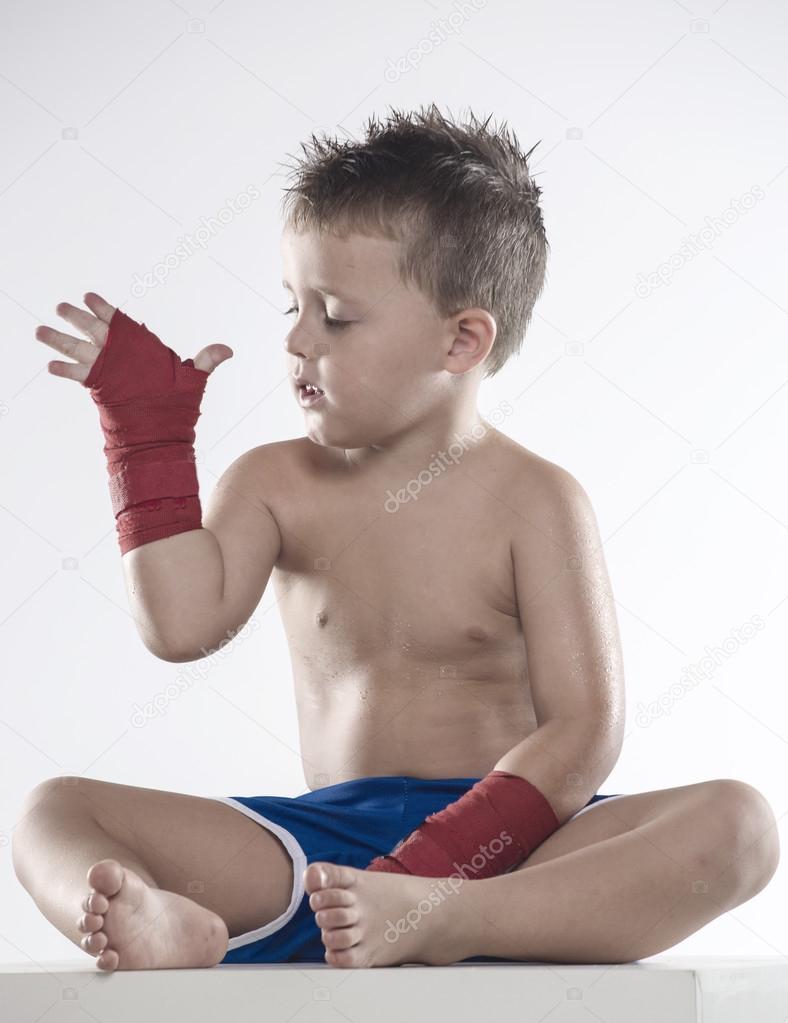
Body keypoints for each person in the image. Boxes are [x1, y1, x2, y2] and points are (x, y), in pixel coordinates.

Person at [13, 104, 779, 971]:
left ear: (461, 340)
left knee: (739, 824)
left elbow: (585, 728)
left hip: (518, 847)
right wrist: (146, 434)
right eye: (292, 306)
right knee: (52, 810)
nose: (296, 340)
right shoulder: (274, 481)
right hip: (325, 856)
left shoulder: (538, 500)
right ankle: (168, 921)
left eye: (335, 317)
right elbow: (180, 625)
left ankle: (457, 923)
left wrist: (436, 881)